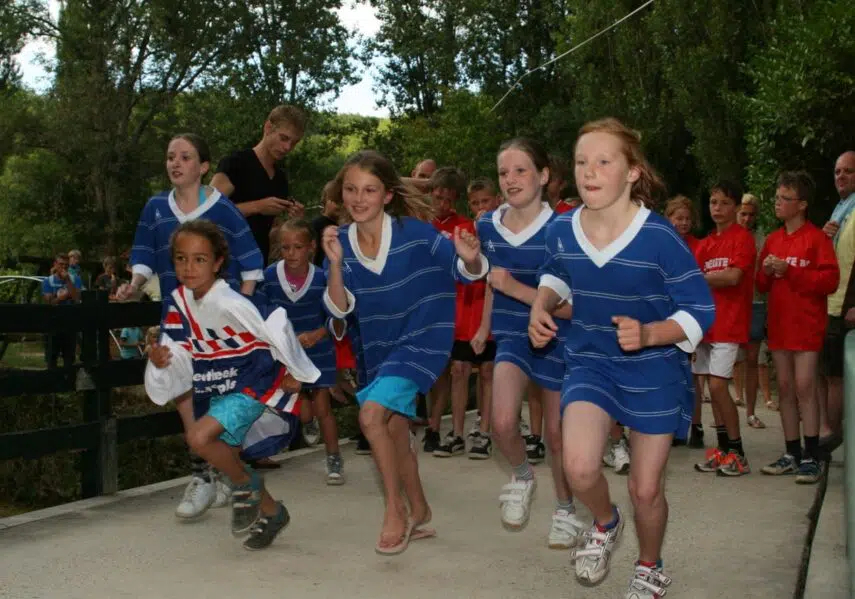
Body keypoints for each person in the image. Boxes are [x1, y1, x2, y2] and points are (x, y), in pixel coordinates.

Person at [530, 117, 714, 594]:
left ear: (632, 172)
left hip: (655, 371)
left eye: (604, 161)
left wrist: (652, 333)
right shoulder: (563, 229)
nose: (590, 171)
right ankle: (606, 523)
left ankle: (649, 566)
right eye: (581, 161)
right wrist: (540, 305)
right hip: (590, 361)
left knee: (646, 489)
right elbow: (555, 273)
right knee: (580, 466)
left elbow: (700, 308)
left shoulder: (659, 238)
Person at [322, 150, 487, 555]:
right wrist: (337, 266)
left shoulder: (417, 234)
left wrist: (470, 257)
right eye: (351, 189)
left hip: (423, 340)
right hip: (378, 349)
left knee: (371, 416)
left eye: (370, 190)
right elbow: (340, 309)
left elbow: (467, 268)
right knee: (395, 433)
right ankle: (422, 511)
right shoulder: (338, 241)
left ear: (387, 195)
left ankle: (395, 511)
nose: (359, 198)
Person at [145, 219, 320, 550]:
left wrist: (295, 370)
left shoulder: (233, 301)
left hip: (252, 383)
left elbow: (276, 324)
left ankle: (246, 485)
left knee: (198, 438)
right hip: (217, 390)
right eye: (181, 258)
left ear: (218, 262)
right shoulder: (178, 303)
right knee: (226, 455)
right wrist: (160, 360)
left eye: (199, 259)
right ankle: (273, 512)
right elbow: (176, 349)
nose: (189, 267)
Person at [118, 133, 265, 520]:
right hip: (176, 316)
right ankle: (202, 475)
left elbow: (251, 264)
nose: (175, 163)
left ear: (203, 167)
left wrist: (242, 311)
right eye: (170, 156)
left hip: (218, 325)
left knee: (217, 395)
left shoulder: (225, 210)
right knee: (180, 386)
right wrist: (132, 287)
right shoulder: (154, 208)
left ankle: (223, 473)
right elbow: (144, 258)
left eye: (185, 157)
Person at [478, 138, 583, 550]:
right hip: (512, 338)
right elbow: (489, 278)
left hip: (559, 340)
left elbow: (574, 307)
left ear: (543, 176)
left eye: (521, 170)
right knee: (501, 422)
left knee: (558, 436)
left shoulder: (566, 228)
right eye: (504, 172)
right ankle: (522, 476)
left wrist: (516, 289)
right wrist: (485, 322)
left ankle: (565, 508)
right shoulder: (487, 224)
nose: (510, 179)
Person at [757, 172, 839, 483]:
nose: (778, 203)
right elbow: (761, 285)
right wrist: (766, 271)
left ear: (801, 205)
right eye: (777, 197)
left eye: (785, 198)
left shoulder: (817, 239)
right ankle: (791, 453)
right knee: (787, 389)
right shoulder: (774, 240)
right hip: (779, 325)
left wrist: (790, 271)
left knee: (805, 387)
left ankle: (812, 454)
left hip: (806, 325)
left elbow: (829, 281)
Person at [260, 218, 346, 484]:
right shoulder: (270, 277)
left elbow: (337, 315)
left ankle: (334, 458)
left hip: (318, 350)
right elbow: (262, 313)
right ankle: (304, 422)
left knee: (323, 407)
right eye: (285, 248)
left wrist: (319, 333)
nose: (291, 253)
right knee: (300, 407)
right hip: (285, 354)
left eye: (297, 247)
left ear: (310, 247)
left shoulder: (323, 277)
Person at [692, 180, 755, 476]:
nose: (717, 208)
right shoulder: (705, 244)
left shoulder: (742, 238)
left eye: (725, 203)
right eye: (713, 202)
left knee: (718, 386)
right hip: (706, 326)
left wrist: (702, 278)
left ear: (736, 207)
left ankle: (738, 453)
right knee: (712, 391)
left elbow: (733, 277)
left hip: (729, 324)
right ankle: (722, 450)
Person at [211, 105, 307, 263]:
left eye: (294, 143)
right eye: (284, 138)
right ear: (268, 127)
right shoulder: (236, 163)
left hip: (257, 266)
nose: (287, 147)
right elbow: (208, 211)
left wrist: (294, 222)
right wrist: (257, 207)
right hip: (223, 265)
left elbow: (272, 232)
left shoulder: (280, 179)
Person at [817, 150, 855, 454]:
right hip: (830, 303)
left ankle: (831, 436)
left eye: (848, 172)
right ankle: (827, 432)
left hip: (846, 305)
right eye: (837, 171)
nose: (840, 177)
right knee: (826, 373)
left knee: (835, 376)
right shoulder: (842, 209)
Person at [665, 195, 706, 447]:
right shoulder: (661, 245)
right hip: (664, 319)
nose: (683, 223)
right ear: (668, 218)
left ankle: (695, 426)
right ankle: (672, 427)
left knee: (692, 377)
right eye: (678, 218)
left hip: (689, 319)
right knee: (669, 377)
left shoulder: (699, 246)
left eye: (687, 219)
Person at [467, 178, 502, 458]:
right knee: (482, 370)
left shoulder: (505, 229)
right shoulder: (471, 232)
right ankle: (484, 426)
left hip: (510, 311)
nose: (480, 208)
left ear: (498, 200)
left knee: (494, 372)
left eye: (485, 201)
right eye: (475, 203)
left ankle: (492, 426)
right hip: (476, 309)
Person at [733, 194, 773, 427]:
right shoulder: (725, 237)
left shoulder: (762, 240)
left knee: (751, 360)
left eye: (751, 214)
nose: (747, 218)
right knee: (727, 359)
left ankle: (750, 412)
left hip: (756, 304)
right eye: (743, 214)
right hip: (731, 305)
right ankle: (724, 412)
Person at [42, 253, 83, 369]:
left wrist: (68, 281)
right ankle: (52, 384)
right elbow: (49, 302)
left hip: (70, 324)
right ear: (55, 265)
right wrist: (61, 298)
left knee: (69, 358)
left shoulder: (75, 279)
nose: (63, 267)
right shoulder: (47, 281)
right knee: (52, 358)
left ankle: (68, 383)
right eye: (61, 264)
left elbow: (76, 299)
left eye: (66, 265)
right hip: (52, 324)